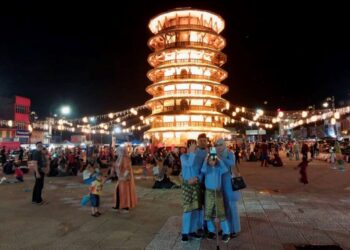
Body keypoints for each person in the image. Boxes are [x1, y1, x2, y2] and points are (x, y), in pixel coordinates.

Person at [201, 148, 230, 243]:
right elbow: (203, 169)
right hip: (209, 193)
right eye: (210, 160)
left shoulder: (219, 169)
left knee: (220, 212)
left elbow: (225, 169)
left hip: (217, 193)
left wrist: (218, 158)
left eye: (213, 160)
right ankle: (211, 231)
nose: (212, 161)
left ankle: (226, 232)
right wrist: (205, 160)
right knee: (208, 213)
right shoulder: (207, 169)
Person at [215, 138, 240, 238]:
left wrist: (221, 158)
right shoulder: (215, 154)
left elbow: (232, 163)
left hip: (229, 182)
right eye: (217, 145)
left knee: (231, 206)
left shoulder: (230, 153)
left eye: (221, 144)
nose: (219, 146)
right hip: (220, 182)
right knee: (223, 207)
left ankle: (235, 229)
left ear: (224, 144)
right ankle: (226, 229)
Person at [180, 140, 202, 242]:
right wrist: (192, 152)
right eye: (193, 146)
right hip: (186, 185)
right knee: (187, 209)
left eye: (195, 146)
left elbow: (201, 171)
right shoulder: (183, 157)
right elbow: (189, 164)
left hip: (196, 185)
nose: (195, 148)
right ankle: (185, 232)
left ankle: (193, 230)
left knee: (196, 209)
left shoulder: (198, 158)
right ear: (188, 147)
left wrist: (197, 178)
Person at [114, 146, 137, 212]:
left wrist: (123, 176)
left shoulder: (125, 158)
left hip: (124, 178)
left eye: (118, 150)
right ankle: (118, 205)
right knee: (118, 190)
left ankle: (125, 206)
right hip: (120, 177)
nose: (117, 152)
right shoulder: (119, 158)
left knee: (124, 191)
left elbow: (127, 169)